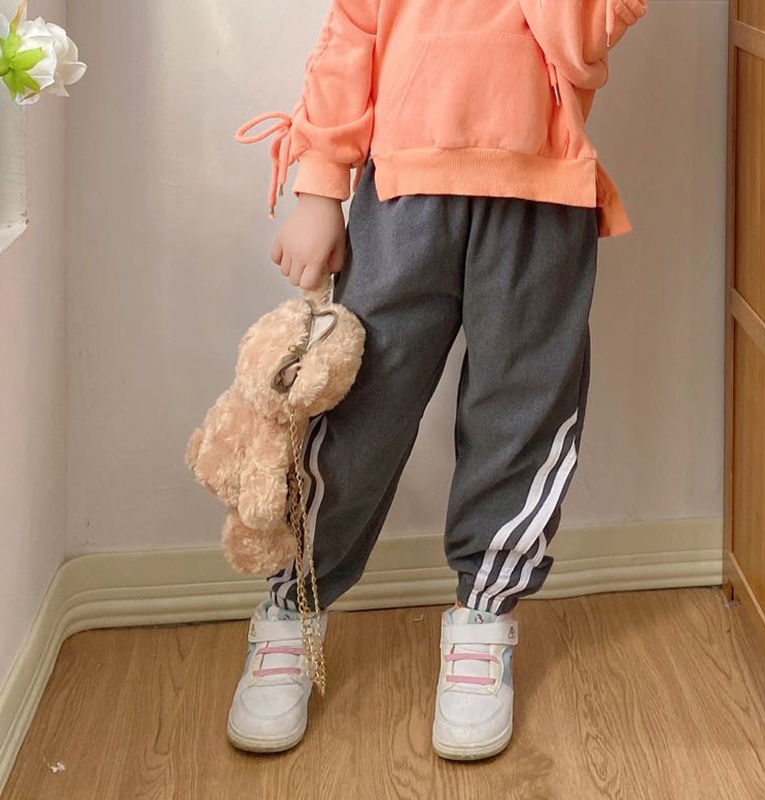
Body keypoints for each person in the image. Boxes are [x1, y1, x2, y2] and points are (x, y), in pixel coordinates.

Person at [226, 0, 647, 761]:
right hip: (402, 194)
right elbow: (350, 38)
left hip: (542, 196)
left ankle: (483, 618)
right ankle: (293, 606)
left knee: (520, 417)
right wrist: (319, 191)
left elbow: (582, 38)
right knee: (356, 414)